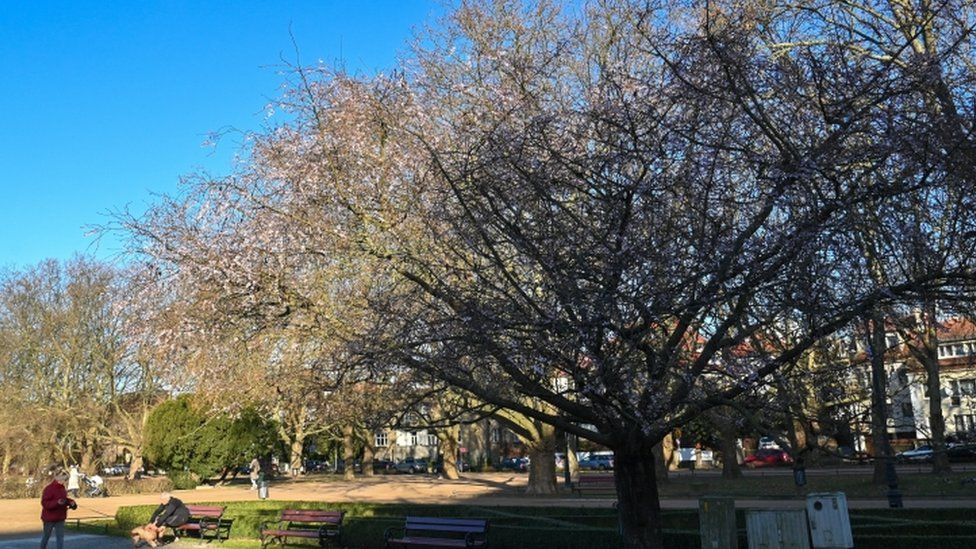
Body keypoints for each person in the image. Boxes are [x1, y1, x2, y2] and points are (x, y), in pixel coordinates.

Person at [40, 471, 76, 549]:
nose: (65, 482)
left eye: (66, 480)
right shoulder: (49, 488)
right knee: (46, 536)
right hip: (49, 518)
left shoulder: (62, 488)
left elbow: (64, 500)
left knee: (60, 538)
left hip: (60, 517)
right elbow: (45, 503)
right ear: (59, 479)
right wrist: (57, 502)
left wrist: (71, 503)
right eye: (65, 480)